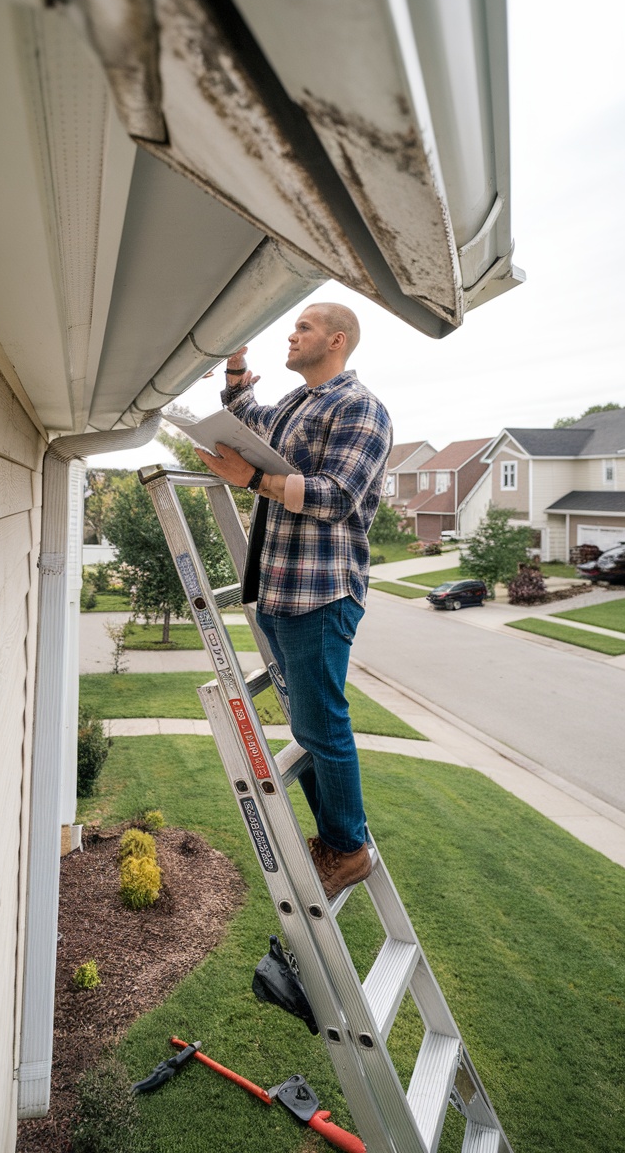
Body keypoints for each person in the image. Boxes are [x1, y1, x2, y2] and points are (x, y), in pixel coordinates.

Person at [195, 303, 392, 900]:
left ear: (335, 340)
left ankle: (348, 849)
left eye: (303, 327)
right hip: (280, 589)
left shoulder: (361, 408)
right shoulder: (295, 405)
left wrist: (251, 480)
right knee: (307, 726)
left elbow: (335, 497)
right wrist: (235, 366)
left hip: (322, 592)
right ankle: (334, 839)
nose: (291, 332)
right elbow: (247, 417)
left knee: (324, 727)